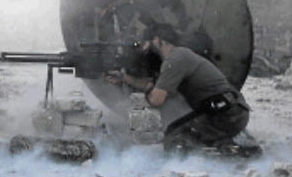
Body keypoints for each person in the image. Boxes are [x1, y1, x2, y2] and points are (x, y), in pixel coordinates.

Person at [106, 23, 261, 157]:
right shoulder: (178, 57)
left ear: (157, 40)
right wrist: (125, 78)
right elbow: (153, 84)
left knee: (177, 140)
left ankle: (239, 154)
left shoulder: (175, 59)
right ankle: (225, 144)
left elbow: (156, 99)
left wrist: (145, 96)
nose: (144, 48)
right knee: (177, 133)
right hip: (227, 111)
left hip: (226, 114)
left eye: (146, 44)